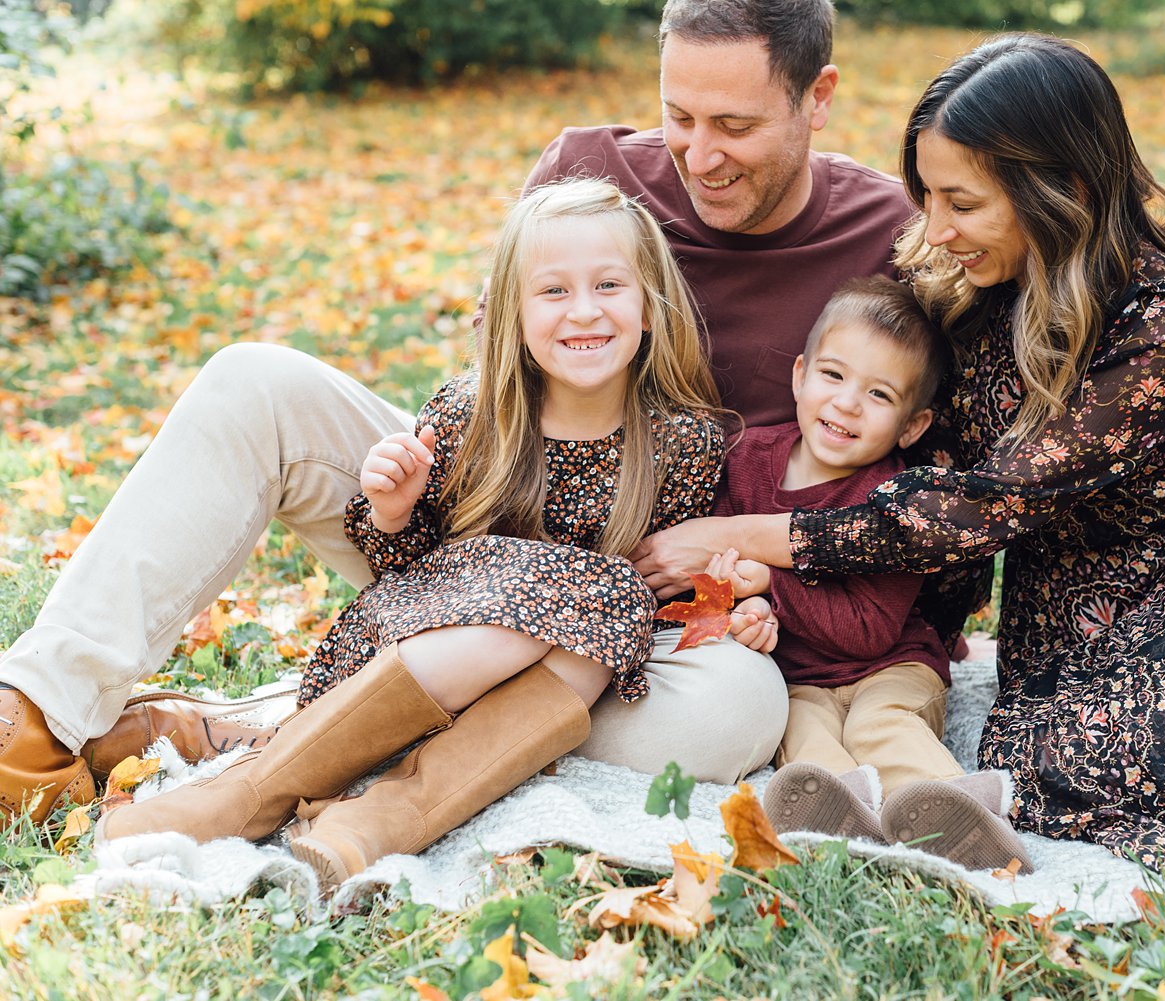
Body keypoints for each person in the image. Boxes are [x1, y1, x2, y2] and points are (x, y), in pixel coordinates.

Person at [632, 33, 1165, 935]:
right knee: (1051, 762)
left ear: (1066, 192)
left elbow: (992, 502)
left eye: (962, 202)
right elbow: (923, 460)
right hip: (1065, 601)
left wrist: (746, 537)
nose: (933, 227)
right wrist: (917, 629)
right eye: (926, 194)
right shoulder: (963, 279)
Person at [0, 0, 916, 825]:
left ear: (818, 95)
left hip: (657, 599)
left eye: (737, 125)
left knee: (734, 713)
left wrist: (746, 559)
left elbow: (918, 494)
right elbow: (495, 391)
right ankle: (36, 716)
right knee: (252, 380)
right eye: (679, 116)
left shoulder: (889, 238)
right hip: (480, 532)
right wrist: (402, 492)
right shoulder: (588, 168)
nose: (699, 155)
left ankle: (269, 729)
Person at [96, 178, 727, 895]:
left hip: (548, 685)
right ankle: (249, 791)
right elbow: (406, 569)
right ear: (513, 315)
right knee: (594, 592)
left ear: (650, 301)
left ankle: (374, 823)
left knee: (610, 607)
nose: (584, 310)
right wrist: (392, 508)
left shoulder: (683, 442)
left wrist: (730, 603)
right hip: (433, 644)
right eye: (554, 291)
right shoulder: (473, 414)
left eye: (609, 284)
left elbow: (672, 584)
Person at [707, 275, 1033, 872]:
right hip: (799, 677)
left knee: (882, 725)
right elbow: (722, 571)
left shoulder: (894, 501)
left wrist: (771, 587)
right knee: (800, 732)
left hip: (893, 665)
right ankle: (834, 809)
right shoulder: (747, 463)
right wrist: (744, 610)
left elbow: (867, 631)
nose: (847, 402)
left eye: (879, 394)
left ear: (911, 426)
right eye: (833, 376)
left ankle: (958, 814)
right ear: (801, 375)